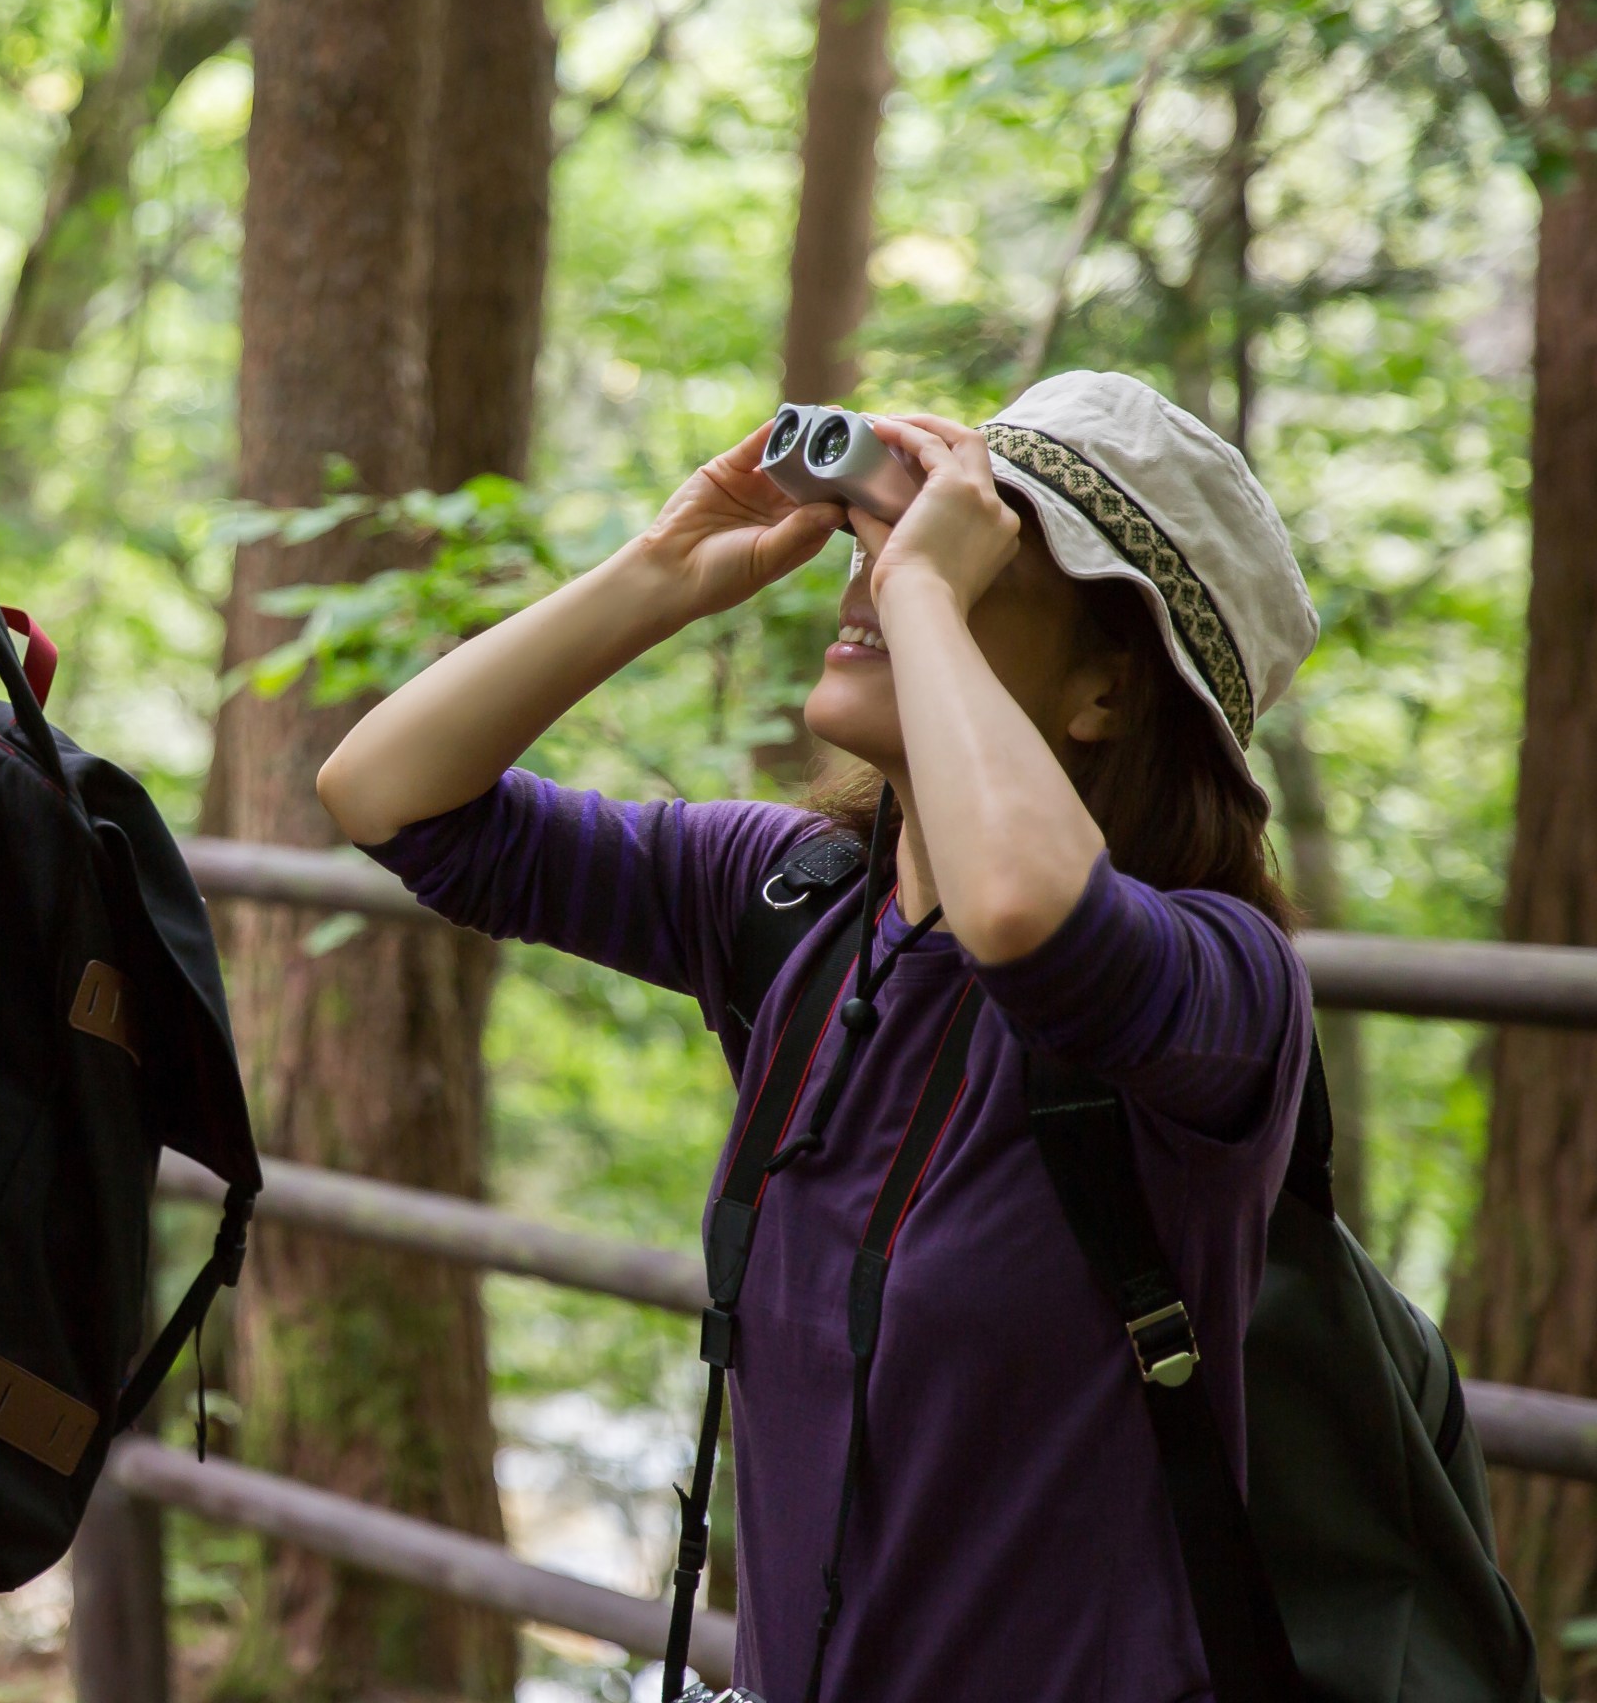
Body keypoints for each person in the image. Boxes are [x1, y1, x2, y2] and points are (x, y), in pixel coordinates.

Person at [316, 373, 1323, 1700]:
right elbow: (392, 798)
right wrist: (665, 569)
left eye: (970, 562)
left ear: (1107, 697)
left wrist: (916, 596)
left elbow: (1033, 917)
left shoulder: (1221, 986)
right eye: (874, 546)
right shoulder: (789, 900)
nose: (874, 578)